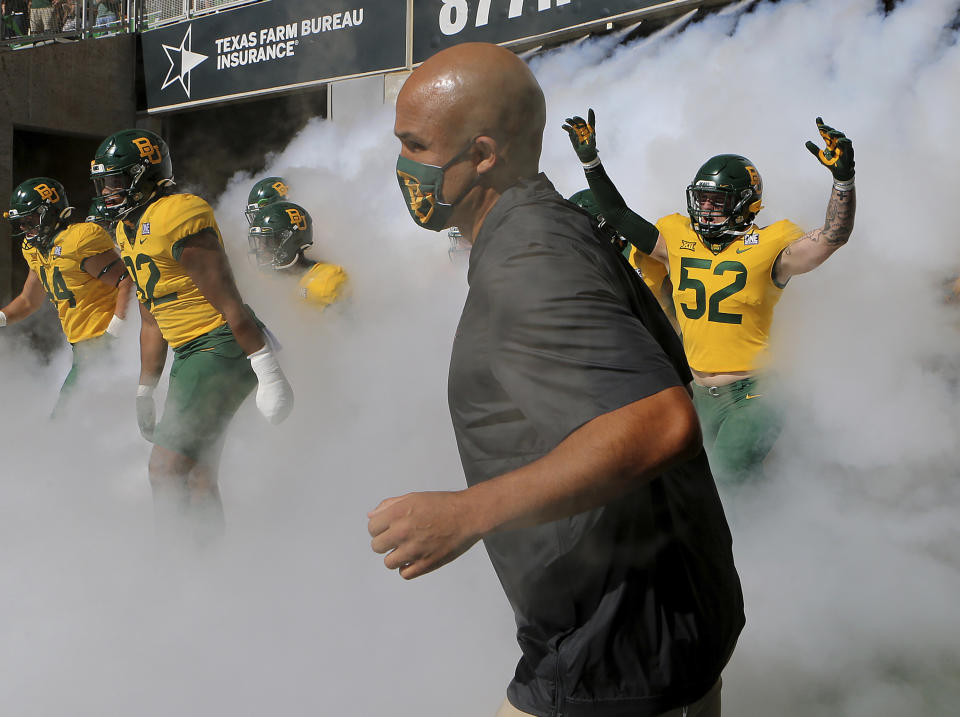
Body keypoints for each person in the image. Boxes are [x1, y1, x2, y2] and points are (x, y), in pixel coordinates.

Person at [369, 42, 743, 717]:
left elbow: (660, 421)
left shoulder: (529, 257)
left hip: (611, 651)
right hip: (653, 633)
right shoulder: (542, 231)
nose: (403, 166)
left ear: (482, 153)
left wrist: (468, 512)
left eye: (416, 144)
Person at [563, 110, 856, 486]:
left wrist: (843, 181)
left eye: (716, 201)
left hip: (755, 393)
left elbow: (833, 236)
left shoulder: (772, 243)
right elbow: (618, 214)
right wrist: (591, 162)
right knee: (694, 490)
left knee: (726, 484)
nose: (705, 209)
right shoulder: (677, 239)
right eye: (701, 200)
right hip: (701, 394)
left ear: (745, 202)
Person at [90, 128, 294, 543]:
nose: (108, 191)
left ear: (145, 175)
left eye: (116, 179)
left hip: (222, 343)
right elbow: (151, 317)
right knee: (199, 474)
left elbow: (229, 300)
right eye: (103, 181)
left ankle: (172, 571)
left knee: (164, 469)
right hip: (190, 351)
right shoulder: (130, 229)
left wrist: (266, 367)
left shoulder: (176, 213)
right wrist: (145, 388)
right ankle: (209, 576)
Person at [1, 177, 131, 417]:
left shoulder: (77, 241)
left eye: (30, 220)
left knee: (64, 421)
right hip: (83, 349)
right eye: (21, 222)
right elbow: (29, 301)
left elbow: (128, 282)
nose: (24, 227)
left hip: (107, 346)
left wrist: (114, 334)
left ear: (50, 213)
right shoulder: (35, 250)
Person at [247, 200, 348, 309]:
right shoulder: (267, 280)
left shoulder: (327, 280)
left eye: (268, 241)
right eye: (260, 240)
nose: (261, 248)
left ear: (290, 240)